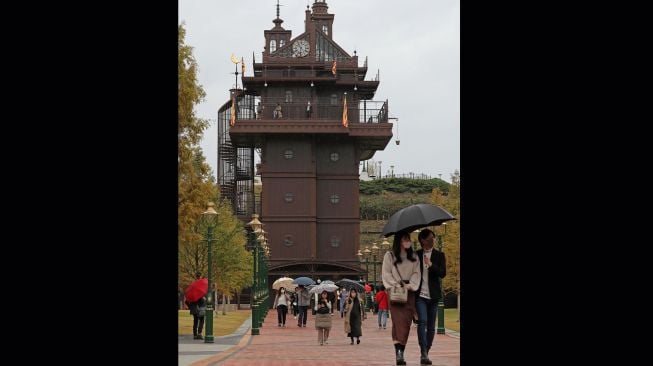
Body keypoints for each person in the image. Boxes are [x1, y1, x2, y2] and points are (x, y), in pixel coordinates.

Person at [382, 230, 421, 365]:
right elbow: (386, 274)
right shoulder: (390, 256)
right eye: (405, 239)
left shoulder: (414, 256)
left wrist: (410, 285)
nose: (407, 241)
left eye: (408, 238)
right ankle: (399, 353)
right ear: (399, 240)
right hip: (395, 293)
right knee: (398, 322)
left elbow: (417, 273)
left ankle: (401, 349)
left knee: (406, 323)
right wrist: (397, 285)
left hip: (409, 293)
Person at [415, 228, 447, 365]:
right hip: (420, 296)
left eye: (434, 238)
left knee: (431, 326)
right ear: (423, 241)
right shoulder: (416, 255)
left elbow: (442, 273)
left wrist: (431, 265)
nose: (433, 240)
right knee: (422, 322)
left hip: (433, 296)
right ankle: (422, 350)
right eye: (430, 239)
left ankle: (426, 351)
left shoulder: (439, 255)